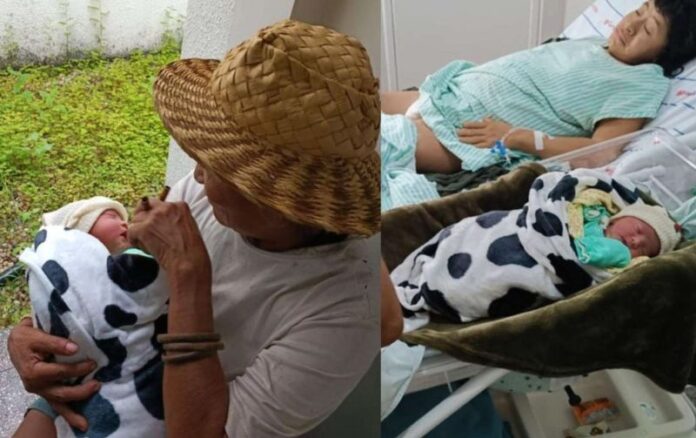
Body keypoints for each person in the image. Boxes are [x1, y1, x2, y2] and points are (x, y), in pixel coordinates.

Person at [8, 19, 380, 438]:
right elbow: (114, 294)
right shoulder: (213, 201)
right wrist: (31, 341)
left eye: (218, 162)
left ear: (277, 195)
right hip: (112, 381)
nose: (197, 175)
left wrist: (190, 279)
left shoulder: (343, 315)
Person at [381, 0, 696, 210]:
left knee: (364, 141)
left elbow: (600, 152)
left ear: (662, 53)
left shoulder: (641, 82)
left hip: (462, 133)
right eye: (639, 11)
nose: (630, 25)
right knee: (356, 96)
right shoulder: (595, 43)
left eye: (648, 29)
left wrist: (521, 138)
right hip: (445, 93)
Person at [388, 169, 681, 329]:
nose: (636, 241)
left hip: (540, 266)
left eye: (646, 247)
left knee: (483, 279)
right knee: (468, 235)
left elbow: (591, 260)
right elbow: (556, 200)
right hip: (519, 231)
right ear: (619, 216)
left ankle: (432, 290)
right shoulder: (588, 208)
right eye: (639, 230)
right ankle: (426, 274)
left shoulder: (617, 264)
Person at [14, 197, 168, 438]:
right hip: (92, 383)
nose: (125, 223)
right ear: (79, 236)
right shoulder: (69, 269)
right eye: (112, 217)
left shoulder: (130, 260)